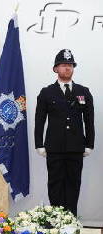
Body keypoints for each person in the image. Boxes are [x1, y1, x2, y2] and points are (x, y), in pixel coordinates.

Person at [34, 49, 94, 216]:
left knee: (73, 184)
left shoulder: (84, 92)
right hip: (54, 148)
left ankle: (71, 221)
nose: (68, 68)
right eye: (63, 65)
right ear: (56, 69)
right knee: (55, 184)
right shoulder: (46, 92)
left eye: (70, 65)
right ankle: (57, 221)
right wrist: (39, 144)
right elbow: (39, 121)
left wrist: (89, 144)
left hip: (76, 147)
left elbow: (89, 121)